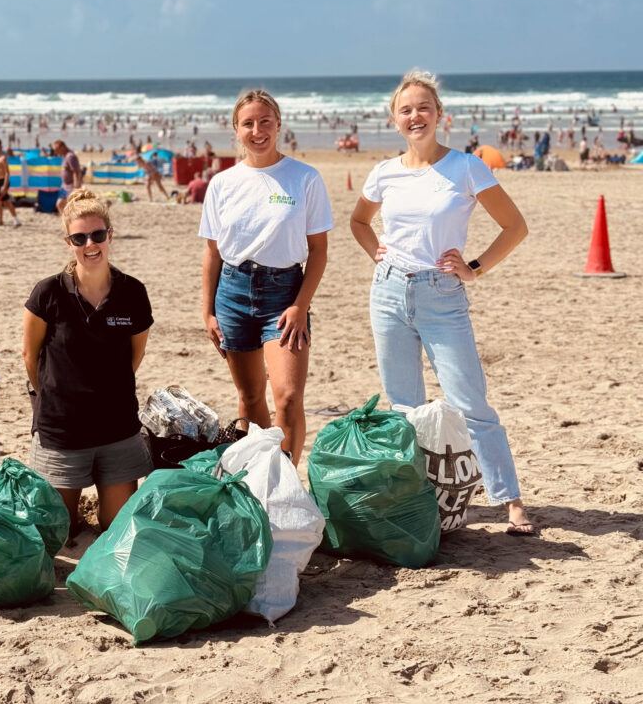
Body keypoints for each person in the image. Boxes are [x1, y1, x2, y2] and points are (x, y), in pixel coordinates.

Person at [350, 69, 534, 536]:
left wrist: (474, 268)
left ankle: (509, 501)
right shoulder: (384, 173)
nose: (416, 116)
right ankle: (421, 500)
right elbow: (358, 222)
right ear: (395, 120)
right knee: (405, 406)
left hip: (443, 293)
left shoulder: (467, 167)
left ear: (439, 115)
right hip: (388, 291)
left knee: (469, 400)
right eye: (406, 110)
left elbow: (515, 227)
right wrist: (376, 251)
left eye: (423, 108)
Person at [200, 90, 331, 464]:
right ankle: (263, 476)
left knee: (288, 396)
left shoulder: (304, 178)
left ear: (278, 125)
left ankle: (287, 478)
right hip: (233, 293)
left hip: (285, 293)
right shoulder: (222, 184)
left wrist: (300, 306)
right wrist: (207, 311)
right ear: (235, 130)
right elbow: (212, 253)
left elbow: (319, 251)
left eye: (264, 122)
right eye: (248, 123)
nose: (257, 130)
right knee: (251, 397)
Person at [22, 188, 153, 536]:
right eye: (79, 237)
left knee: (117, 527)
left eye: (97, 235)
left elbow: (134, 355)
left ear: (110, 236)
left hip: (117, 427)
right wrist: (54, 395)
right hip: (62, 430)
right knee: (60, 531)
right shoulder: (47, 293)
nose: (89, 244)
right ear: (69, 242)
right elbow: (29, 356)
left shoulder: (133, 292)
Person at [54, 140, 82, 212]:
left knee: (72, 206)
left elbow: (76, 172)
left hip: (71, 186)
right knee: (59, 204)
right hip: (64, 185)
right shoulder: (64, 156)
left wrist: (76, 187)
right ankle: (66, 221)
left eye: (57, 150)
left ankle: (70, 221)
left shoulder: (70, 157)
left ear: (62, 147)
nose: (56, 152)